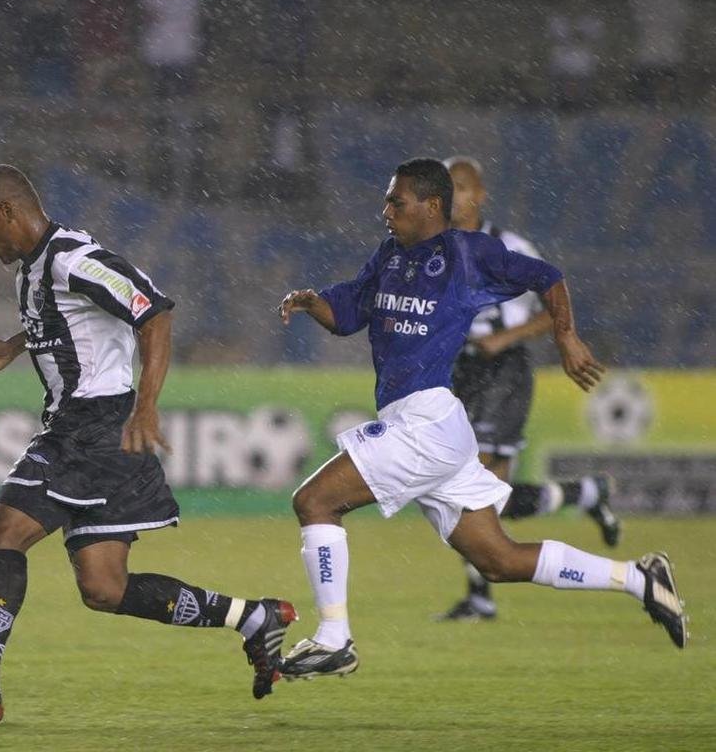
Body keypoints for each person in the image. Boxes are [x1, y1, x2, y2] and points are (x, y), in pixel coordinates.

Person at [0, 164, 295, 724]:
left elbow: (153, 311)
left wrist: (147, 405)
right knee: (104, 588)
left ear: (9, 210)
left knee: (2, 533)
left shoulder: (74, 260)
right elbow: (68, 321)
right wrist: (13, 348)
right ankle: (253, 617)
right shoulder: (33, 272)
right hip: (97, 437)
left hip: (92, 428)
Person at [275, 158, 688, 680]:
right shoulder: (391, 255)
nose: (385, 210)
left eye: (394, 201)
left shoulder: (469, 254)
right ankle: (640, 578)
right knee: (499, 560)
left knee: (314, 501)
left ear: (431, 206)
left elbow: (548, 277)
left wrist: (565, 336)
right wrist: (314, 303)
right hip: (433, 427)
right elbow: (350, 311)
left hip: (425, 422)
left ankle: (334, 639)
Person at [437, 155, 621, 622]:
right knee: (487, 499)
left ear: (479, 194)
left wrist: (506, 337)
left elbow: (551, 304)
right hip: (459, 371)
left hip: (504, 371)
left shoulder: (508, 245)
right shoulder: (433, 247)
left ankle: (481, 598)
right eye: (444, 188)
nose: (451, 196)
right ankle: (585, 495)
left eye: (459, 187)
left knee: (472, 486)